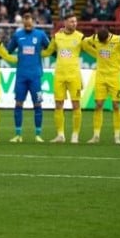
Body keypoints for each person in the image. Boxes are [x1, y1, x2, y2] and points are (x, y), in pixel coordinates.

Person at [6, 10, 51, 142]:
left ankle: (38, 135)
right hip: (21, 76)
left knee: (38, 104)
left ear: (34, 23)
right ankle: (18, 134)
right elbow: (8, 50)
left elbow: (50, 49)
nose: (27, 26)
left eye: (30, 23)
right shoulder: (17, 35)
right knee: (18, 103)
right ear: (23, 24)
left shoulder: (41, 35)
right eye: (25, 24)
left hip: (36, 77)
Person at [82, 26, 120, 144]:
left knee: (116, 105)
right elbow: (84, 42)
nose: (101, 43)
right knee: (98, 105)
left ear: (108, 37)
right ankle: (96, 135)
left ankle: (117, 137)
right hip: (100, 77)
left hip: (115, 77)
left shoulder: (119, 40)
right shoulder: (95, 38)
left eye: (103, 42)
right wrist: (95, 53)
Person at [42, 12, 85, 143]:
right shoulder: (57, 36)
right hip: (59, 75)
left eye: (75, 21)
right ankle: (60, 135)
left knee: (76, 104)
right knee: (58, 104)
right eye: (72, 21)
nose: (74, 24)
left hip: (74, 76)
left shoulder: (80, 37)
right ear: (65, 22)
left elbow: (91, 48)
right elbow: (49, 51)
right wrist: (32, 53)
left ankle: (75, 135)